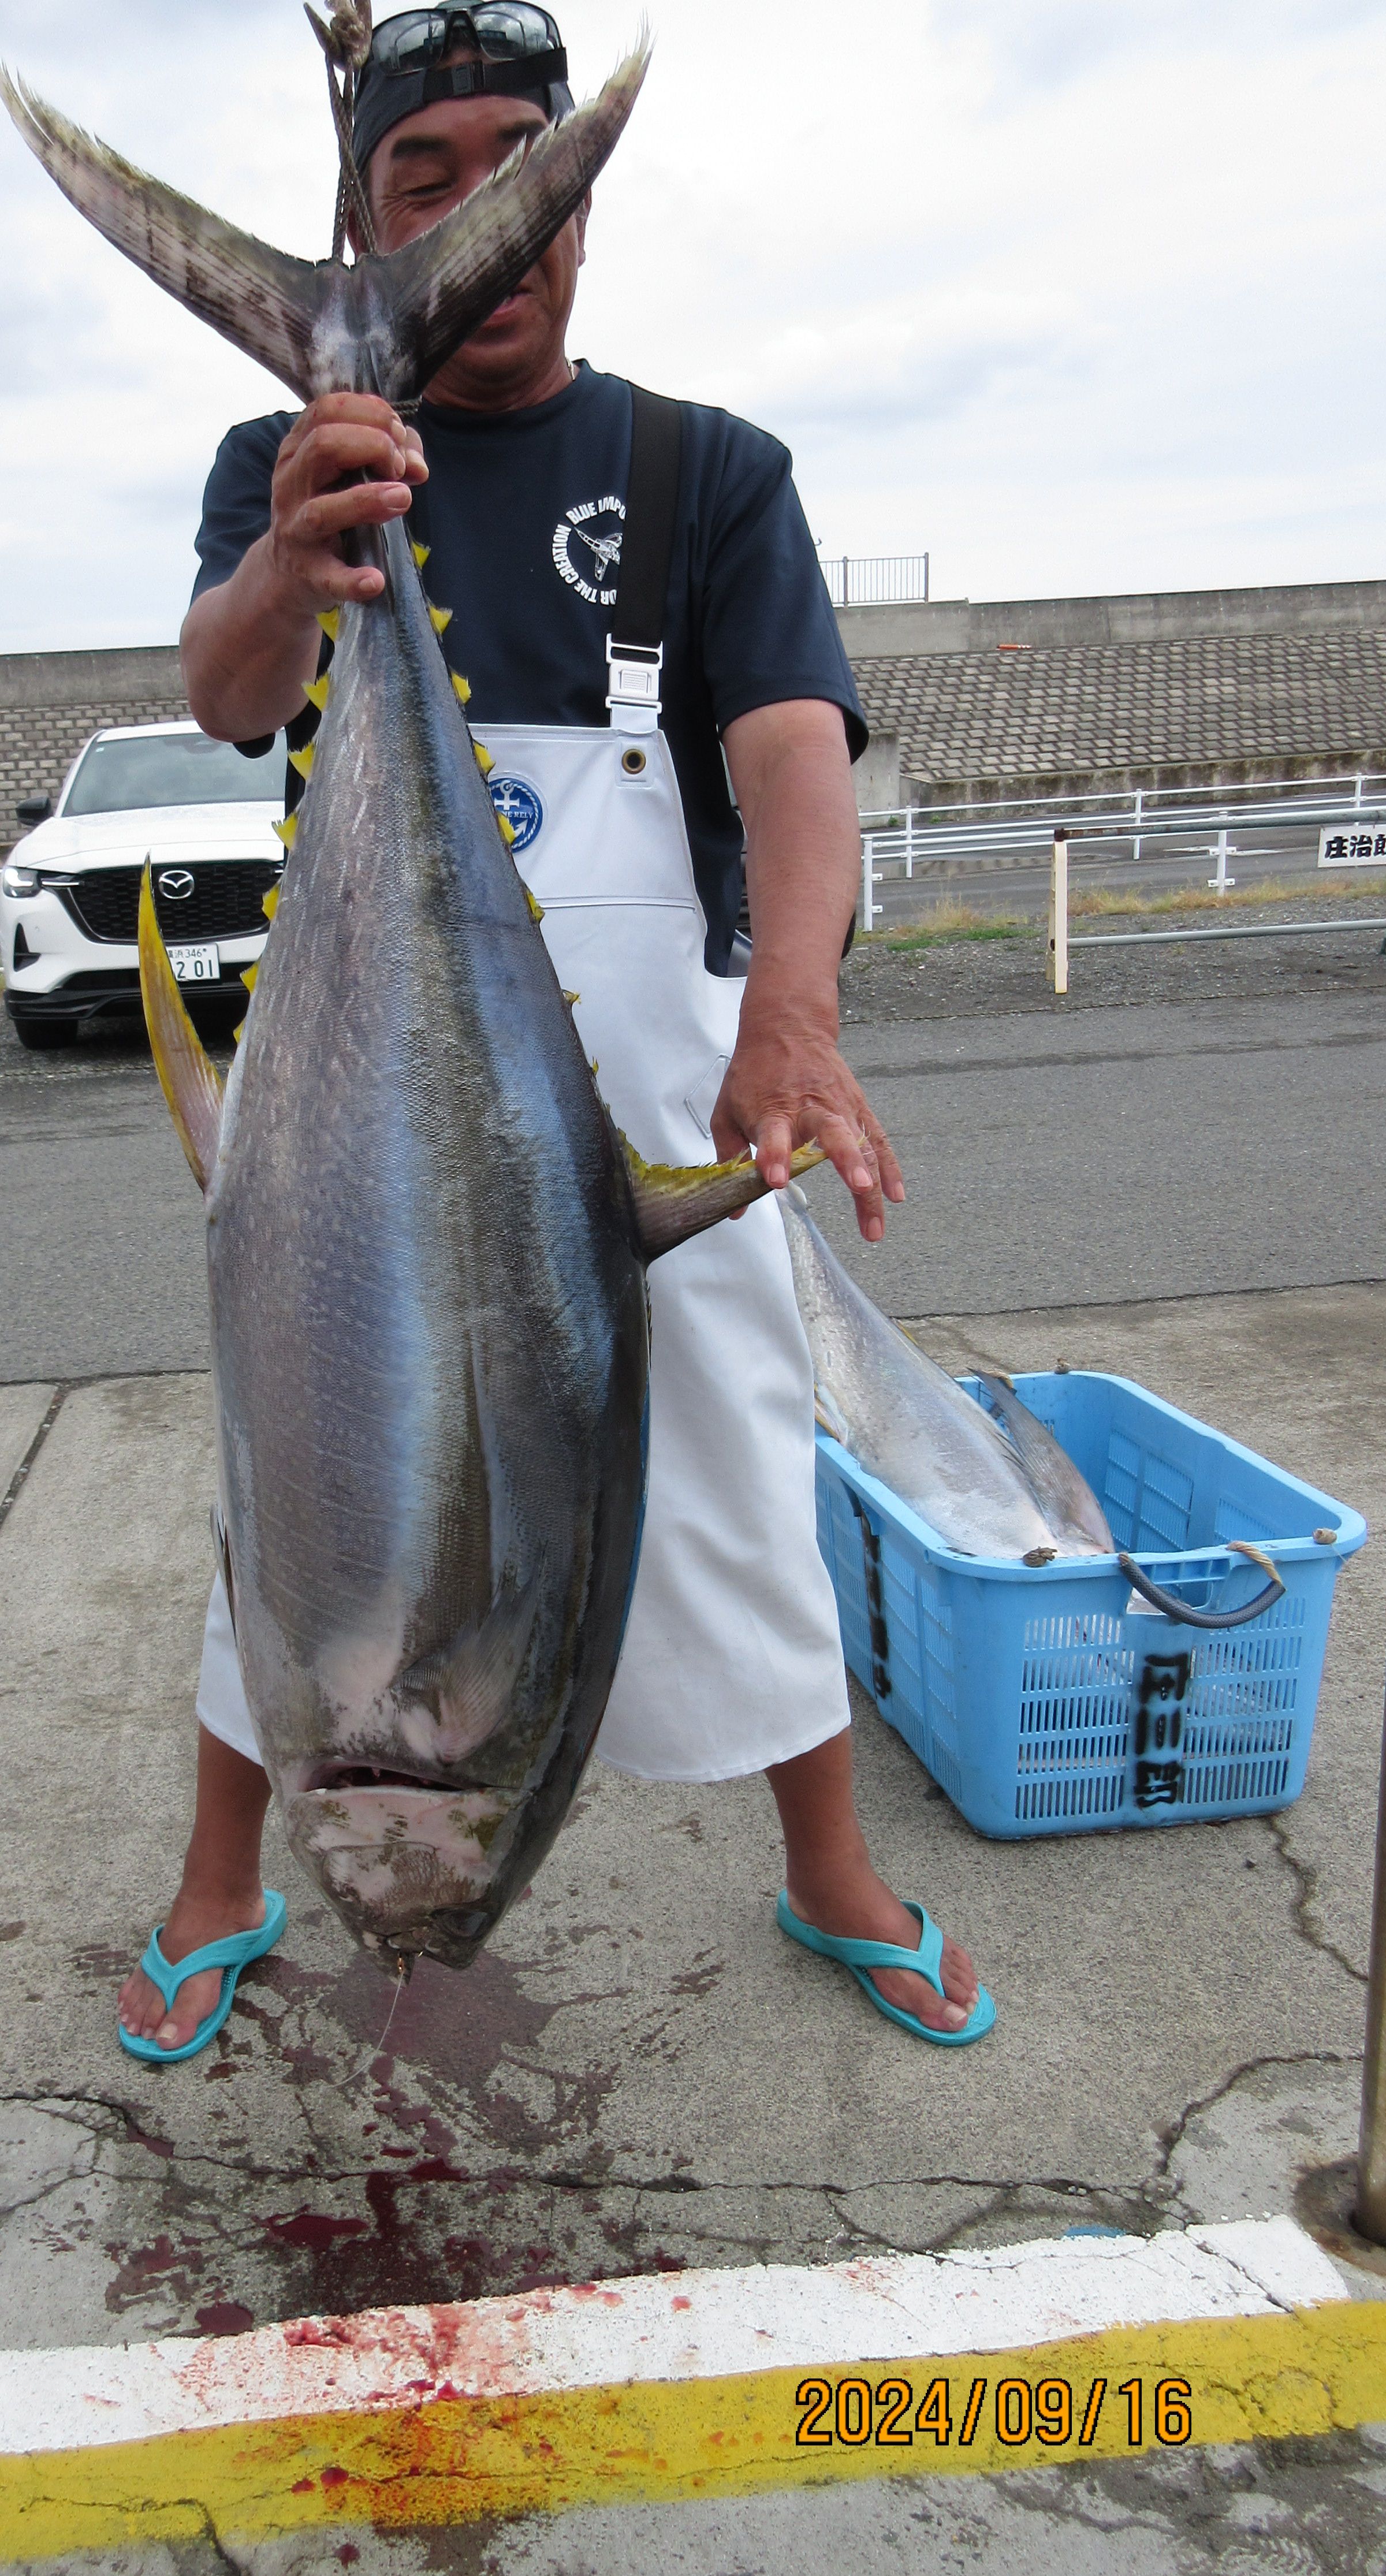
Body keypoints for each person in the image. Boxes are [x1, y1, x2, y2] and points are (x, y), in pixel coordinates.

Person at [118, 3, 991, 2063]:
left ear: (577, 213)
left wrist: (798, 1009)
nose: (482, 221)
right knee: (303, 1495)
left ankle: (830, 1873)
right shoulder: (287, 458)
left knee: (741, 1479)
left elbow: (790, 751)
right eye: (428, 179)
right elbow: (232, 697)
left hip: (660, 1103)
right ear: (369, 210)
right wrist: (297, 549)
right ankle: (221, 1881)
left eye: (526, 172)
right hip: (360, 1113)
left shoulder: (703, 470)